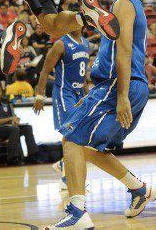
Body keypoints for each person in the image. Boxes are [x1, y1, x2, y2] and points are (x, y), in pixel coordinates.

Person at [45, 0, 156, 229]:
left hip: (119, 84)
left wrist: (120, 95)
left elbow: (124, 50)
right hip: (122, 84)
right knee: (85, 146)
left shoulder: (124, 3)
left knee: (71, 138)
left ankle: (77, 214)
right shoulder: (122, 6)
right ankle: (139, 189)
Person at [34, 26, 90, 191]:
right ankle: (66, 176)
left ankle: (62, 164)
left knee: (79, 135)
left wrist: (88, 96)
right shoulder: (61, 44)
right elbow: (44, 71)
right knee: (70, 133)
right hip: (64, 93)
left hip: (79, 93)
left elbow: (83, 76)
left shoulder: (86, 44)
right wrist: (39, 96)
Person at [0, 84, 38, 165]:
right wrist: (10, 119)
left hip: (10, 127)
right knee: (15, 130)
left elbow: (13, 117)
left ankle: (32, 156)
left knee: (27, 127)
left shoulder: (6, 103)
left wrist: (16, 120)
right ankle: (12, 158)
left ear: (1, 92)